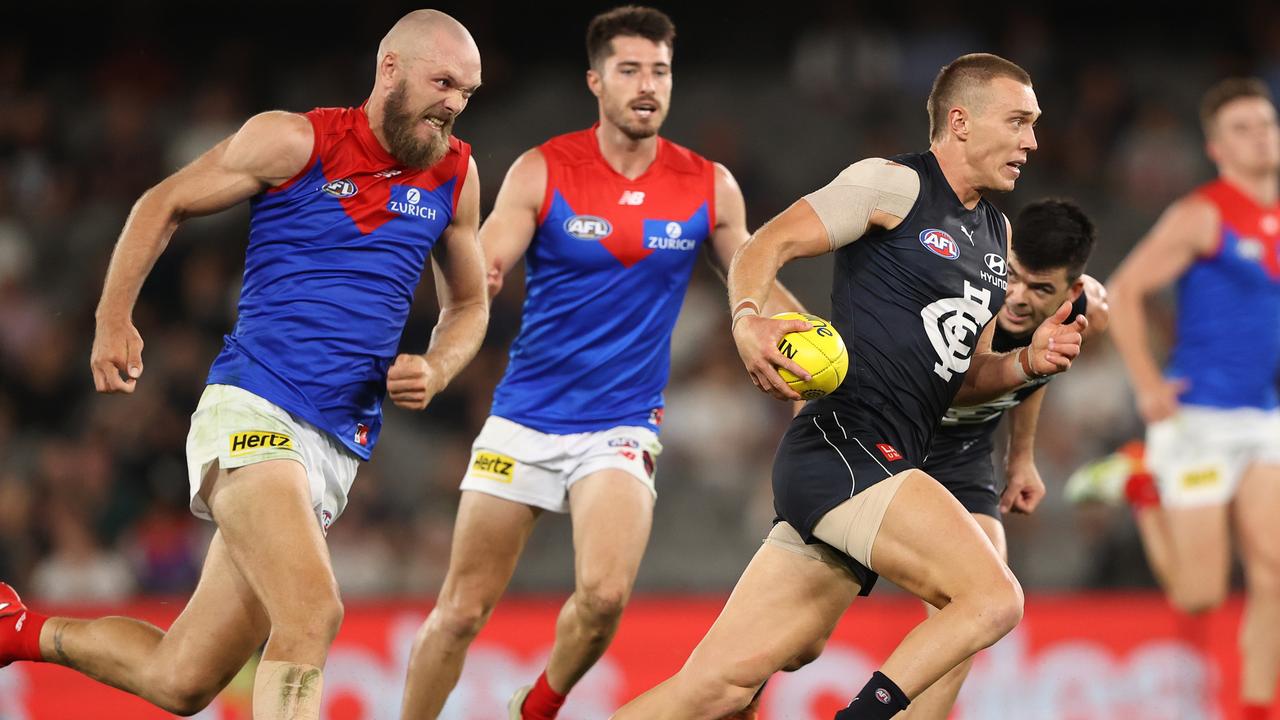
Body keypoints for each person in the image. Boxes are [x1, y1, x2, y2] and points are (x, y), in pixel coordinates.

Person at [0, 10, 488, 720]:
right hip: (254, 411)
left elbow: (470, 307)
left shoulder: (456, 175)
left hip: (333, 449)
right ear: (390, 69)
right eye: (443, 82)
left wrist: (440, 367)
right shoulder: (296, 139)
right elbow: (162, 201)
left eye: (467, 91)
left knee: (183, 678)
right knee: (313, 611)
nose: (454, 102)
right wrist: (113, 317)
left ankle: (17, 628)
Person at [612, 52, 1087, 720]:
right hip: (849, 445)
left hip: (872, 462)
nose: (1032, 141)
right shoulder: (891, 186)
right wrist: (749, 320)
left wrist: (1026, 364)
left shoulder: (993, 235)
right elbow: (763, 247)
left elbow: (963, 378)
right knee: (993, 597)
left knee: (717, 690)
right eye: (1018, 122)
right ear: (961, 122)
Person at [397, 7, 806, 720]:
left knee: (606, 597)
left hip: (620, 425)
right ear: (596, 81)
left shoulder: (707, 185)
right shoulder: (544, 169)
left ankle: (540, 704)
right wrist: (475, 283)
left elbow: (754, 274)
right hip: (522, 419)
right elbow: (478, 268)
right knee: (460, 612)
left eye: (660, 71)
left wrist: (809, 343)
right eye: (629, 70)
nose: (647, 85)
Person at [1094, 77, 1280, 720]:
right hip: (1198, 420)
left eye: (1266, 122)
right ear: (1215, 147)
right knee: (1200, 594)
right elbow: (1124, 289)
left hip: (1264, 417)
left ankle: (1256, 708)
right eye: (1243, 128)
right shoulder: (1203, 213)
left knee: (1275, 570)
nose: (1260, 135)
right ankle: (1141, 484)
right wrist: (1148, 386)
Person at [901, 198, 1107, 719]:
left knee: (978, 609)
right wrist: (1024, 362)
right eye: (1012, 276)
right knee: (802, 644)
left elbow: (1038, 370)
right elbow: (967, 384)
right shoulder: (962, 285)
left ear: (1072, 290)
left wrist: (1021, 458)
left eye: (1040, 289)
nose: (1016, 298)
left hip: (964, 457)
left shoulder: (1083, 313)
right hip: (894, 441)